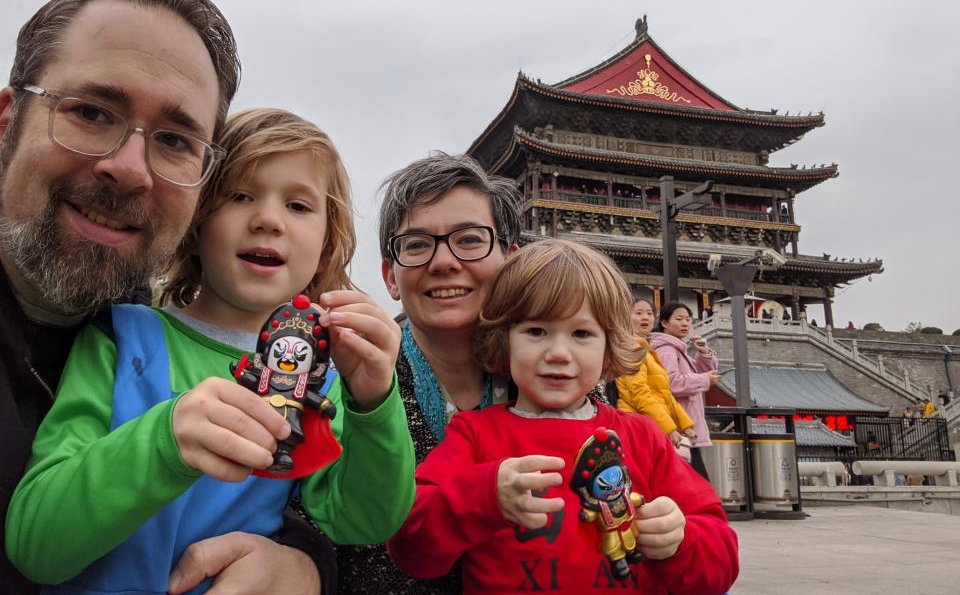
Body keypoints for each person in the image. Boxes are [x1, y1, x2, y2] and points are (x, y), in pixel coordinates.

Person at [0, 0, 328, 594]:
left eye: (175, 140)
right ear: (7, 122)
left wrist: (305, 562)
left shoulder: (144, 321)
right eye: (92, 112)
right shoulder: (132, 338)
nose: (129, 169)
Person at [6, 108, 415, 592]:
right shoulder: (119, 336)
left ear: (327, 246)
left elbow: (362, 520)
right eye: (240, 195)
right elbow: (36, 545)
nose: (267, 220)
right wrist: (165, 440)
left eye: (299, 206)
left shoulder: (325, 378)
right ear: (195, 224)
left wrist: (374, 403)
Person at [388, 240, 739, 594]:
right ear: (504, 339)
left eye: (582, 334)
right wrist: (482, 496)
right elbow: (411, 548)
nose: (558, 353)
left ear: (609, 346)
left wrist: (680, 540)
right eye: (536, 331)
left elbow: (720, 565)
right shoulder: (474, 433)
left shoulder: (642, 437)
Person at [334, 152, 522, 594]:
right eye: (417, 245)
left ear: (511, 259)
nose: (443, 262)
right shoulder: (347, 378)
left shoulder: (567, 377)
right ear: (391, 277)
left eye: (470, 239)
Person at [613, 299, 698, 461]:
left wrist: (685, 425)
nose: (645, 317)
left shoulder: (646, 349)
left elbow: (664, 393)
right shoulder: (632, 348)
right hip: (637, 425)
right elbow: (640, 394)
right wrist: (669, 428)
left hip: (651, 424)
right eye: (638, 313)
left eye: (649, 313)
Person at [649, 302, 723, 481]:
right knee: (698, 483)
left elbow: (694, 372)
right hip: (679, 427)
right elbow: (671, 383)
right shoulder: (667, 349)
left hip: (683, 427)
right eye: (679, 319)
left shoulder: (677, 348)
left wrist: (704, 353)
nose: (685, 324)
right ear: (665, 323)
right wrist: (705, 379)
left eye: (688, 319)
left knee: (689, 483)